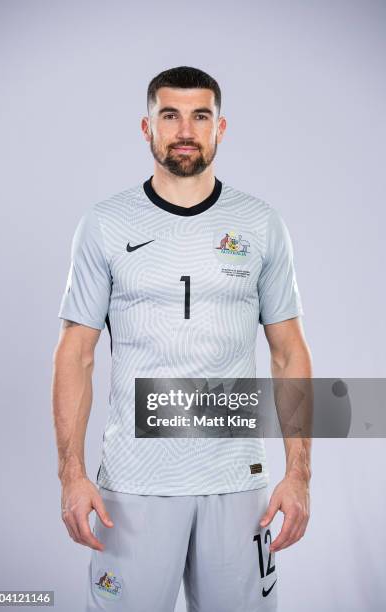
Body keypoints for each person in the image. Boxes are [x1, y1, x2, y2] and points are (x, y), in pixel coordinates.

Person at [52, 66, 312, 612]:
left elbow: (288, 351)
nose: (185, 129)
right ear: (147, 127)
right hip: (134, 482)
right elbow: (76, 354)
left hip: (239, 483)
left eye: (201, 115)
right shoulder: (103, 224)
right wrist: (72, 476)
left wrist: (298, 475)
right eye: (169, 115)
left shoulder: (262, 224)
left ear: (222, 128)